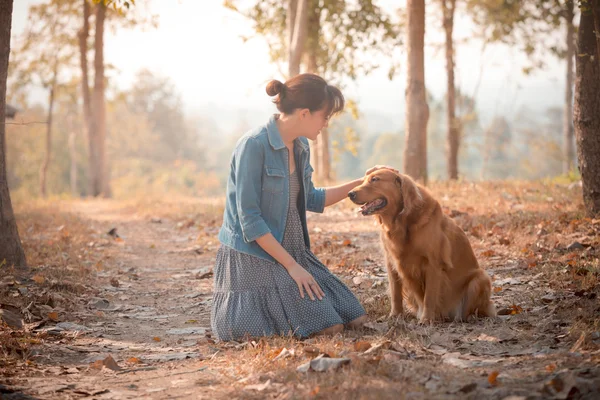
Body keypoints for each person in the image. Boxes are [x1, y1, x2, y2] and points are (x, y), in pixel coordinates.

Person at [211, 73, 395, 341]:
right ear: (305, 114)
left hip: (293, 249)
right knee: (328, 327)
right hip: (255, 255)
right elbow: (249, 221)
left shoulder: (300, 146)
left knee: (355, 317)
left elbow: (312, 198)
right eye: (325, 116)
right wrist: (291, 266)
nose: (326, 124)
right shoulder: (253, 146)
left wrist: (362, 184)